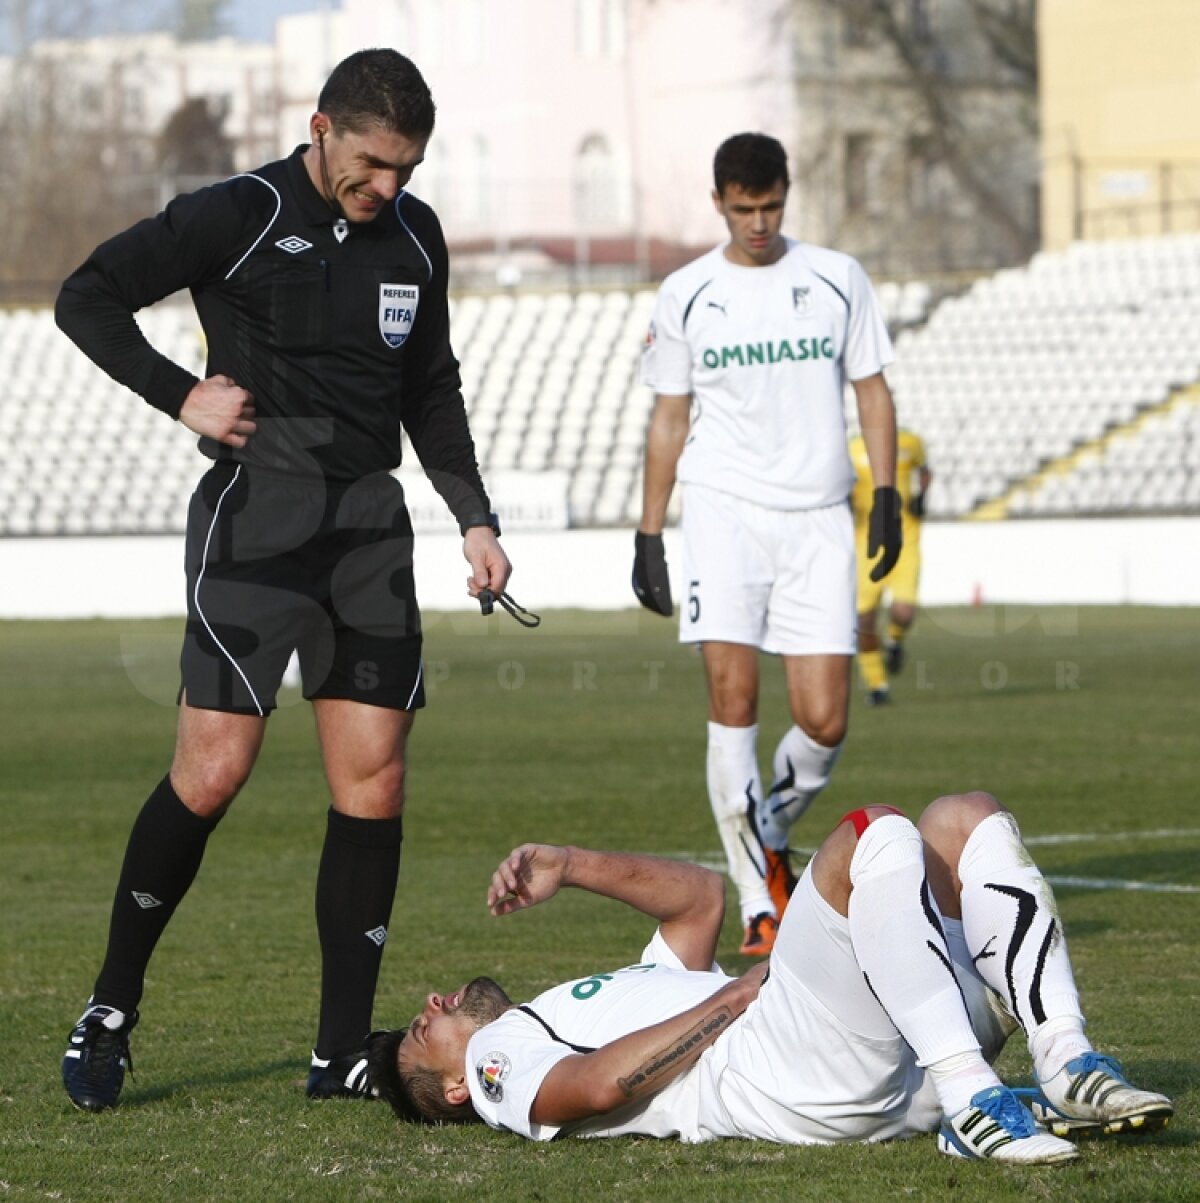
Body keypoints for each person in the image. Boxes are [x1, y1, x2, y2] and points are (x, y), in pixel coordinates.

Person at [55, 48, 511, 1112]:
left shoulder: (416, 235)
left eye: (405, 167)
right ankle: (111, 1008)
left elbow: (430, 386)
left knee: (375, 784)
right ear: (320, 128)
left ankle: (341, 1052)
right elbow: (89, 297)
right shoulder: (241, 210)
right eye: (370, 162)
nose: (385, 186)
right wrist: (181, 394)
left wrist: (473, 515)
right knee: (212, 774)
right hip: (257, 520)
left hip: (369, 531)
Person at [370, 793, 1173, 1164]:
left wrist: (571, 864)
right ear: (452, 1092)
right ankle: (971, 1093)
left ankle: (1064, 1057)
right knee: (869, 833)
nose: (434, 1004)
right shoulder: (496, 1064)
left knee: (962, 818)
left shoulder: (559, 1009)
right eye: (421, 1028)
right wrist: (729, 997)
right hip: (784, 1066)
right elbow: (597, 1086)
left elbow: (700, 901)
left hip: (844, 1046)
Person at [632, 132, 902, 957]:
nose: (759, 222)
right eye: (744, 209)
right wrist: (649, 532)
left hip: (819, 517)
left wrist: (885, 495)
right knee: (735, 701)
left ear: (788, 194)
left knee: (824, 721)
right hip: (723, 516)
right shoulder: (687, 292)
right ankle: (758, 896)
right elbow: (669, 418)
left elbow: (874, 391)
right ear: (719, 202)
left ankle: (766, 831)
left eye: (772, 206)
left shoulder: (835, 278)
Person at [849, 426, 931, 705]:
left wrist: (922, 499)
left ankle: (894, 641)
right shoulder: (852, 447)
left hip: (906, 540)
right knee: (865, 619)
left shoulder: (911, 441)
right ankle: (877, 685)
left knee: (904, 612)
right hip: (865, 543)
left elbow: (925, 470)